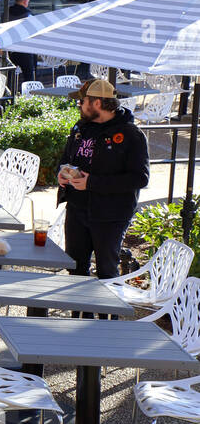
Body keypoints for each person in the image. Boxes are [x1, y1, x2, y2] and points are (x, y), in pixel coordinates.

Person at [56, 78, 150, 280]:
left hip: (110, 215)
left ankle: (109, 314)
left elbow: (140, 178)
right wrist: (61, 173)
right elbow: (66, 158)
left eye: (82, 102)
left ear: (96, 103)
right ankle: (81, 312)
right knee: (75, 270)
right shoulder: (80, 128)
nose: (79, 106)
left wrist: (92, 182)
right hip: (76, 209)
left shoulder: (131, 134)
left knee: (107, 272)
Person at [7, 0, 36, 84]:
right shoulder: (28, 16)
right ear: (25, 2)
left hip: (10, 50)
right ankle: (29, 96)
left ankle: (9, 95)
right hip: (25, 50)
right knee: (28, 77)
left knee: (9, 75)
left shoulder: (6, 13)